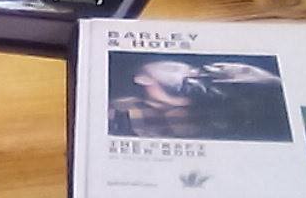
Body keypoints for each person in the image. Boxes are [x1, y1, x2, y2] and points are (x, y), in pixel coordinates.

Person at [108, 56, 286, 140]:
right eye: (172, 69)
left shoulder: (225, 106)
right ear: (143, 78)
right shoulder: (119, 110)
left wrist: (248, 73)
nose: (188, 72)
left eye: (190, 69)